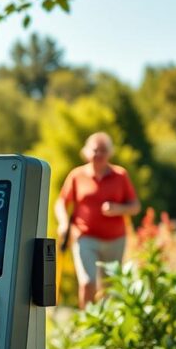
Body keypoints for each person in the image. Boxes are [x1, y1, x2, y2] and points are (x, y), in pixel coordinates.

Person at [55, 132, 141, 308]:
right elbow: (61, 203)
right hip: (85, 237)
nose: (98, 155)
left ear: (110, 153)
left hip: (115, 239)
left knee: (111, 287)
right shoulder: (77, 175)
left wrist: (118, 209)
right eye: (95, 150)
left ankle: (107, 329)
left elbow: (135, 206)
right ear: (86, 152)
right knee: (87, 282)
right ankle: (87, 326)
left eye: (103, 151)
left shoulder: (120, 175)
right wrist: (64, 223)